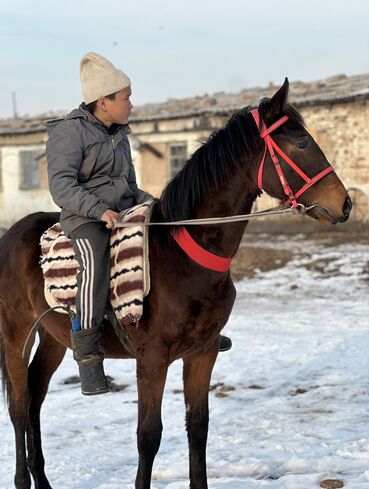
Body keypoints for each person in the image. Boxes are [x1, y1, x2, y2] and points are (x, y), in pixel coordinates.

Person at [47, 52, 231, 397]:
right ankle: (87, 352)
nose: (131, 104)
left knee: (172, 245)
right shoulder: (68, 133)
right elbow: (62, 186)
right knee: (95, 265)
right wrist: (99, 210)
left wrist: (157, 205)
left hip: (124, 211)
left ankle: (199, 329)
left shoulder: (120, 134)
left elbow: (128, 186)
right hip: (84, 218)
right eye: (126, 97)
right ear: (104, 101)